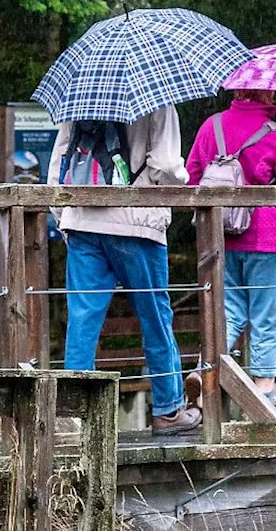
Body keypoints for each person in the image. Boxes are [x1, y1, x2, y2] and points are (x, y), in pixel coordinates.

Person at [47, 105, 202, 435]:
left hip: (83, 219)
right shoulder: (158, 102)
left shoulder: (82, 99)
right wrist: (183, 181)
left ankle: (74, 415)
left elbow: (60, 160)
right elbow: (166, 167)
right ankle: (168, 410)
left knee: (83, 318)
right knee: (154, 317)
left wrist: (64, 217)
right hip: (136, 222)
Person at [185, 90, 276, 408]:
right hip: (266, 235)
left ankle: (204, 372)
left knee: (228, 310)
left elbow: (191, 181)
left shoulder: (210, 127)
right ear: (267, 91)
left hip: (220, 235)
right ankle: (264, 387)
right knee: (265, 313)